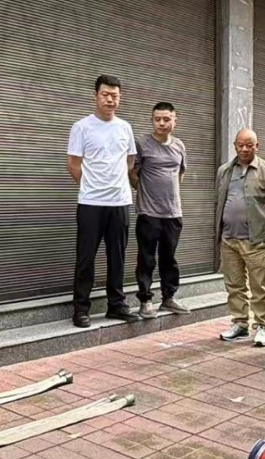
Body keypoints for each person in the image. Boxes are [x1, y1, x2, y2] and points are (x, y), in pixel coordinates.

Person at [67, 75, 141, 328]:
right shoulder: (81, 127)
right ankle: (81, 308)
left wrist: (114, 183)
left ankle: (116, 305)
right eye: (105, 94)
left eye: (115, 96)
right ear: (96, 96)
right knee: (86, 257)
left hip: (120, 202)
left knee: (117, 257)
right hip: (91, 203)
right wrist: (92, 185)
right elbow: (73, 165)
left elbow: (130, 162)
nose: (110, 100)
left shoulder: (125, 127)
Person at [214, 129, 265, 347]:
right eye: (240, 145)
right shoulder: (224, 170)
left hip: (255, 240)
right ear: (235, 145)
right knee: (234, 285)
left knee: (260, 286)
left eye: (249, 145)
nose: (244, 149)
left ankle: (261, 326)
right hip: (228, 239)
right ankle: (240, 323)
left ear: (257, 146)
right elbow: (219, 201)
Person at [132, 101, 190, 316]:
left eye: (166, 119)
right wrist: (146, 192)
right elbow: (132, 174)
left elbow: (180, 174)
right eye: (157, 119)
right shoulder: (142, 144)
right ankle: (146, 301)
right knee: (146, 259)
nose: (162, 123)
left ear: (175, 120)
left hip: (173, 213)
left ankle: (169, 298)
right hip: (148, 213)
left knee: (169, 258)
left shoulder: (179, 146)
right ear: (152, 121)